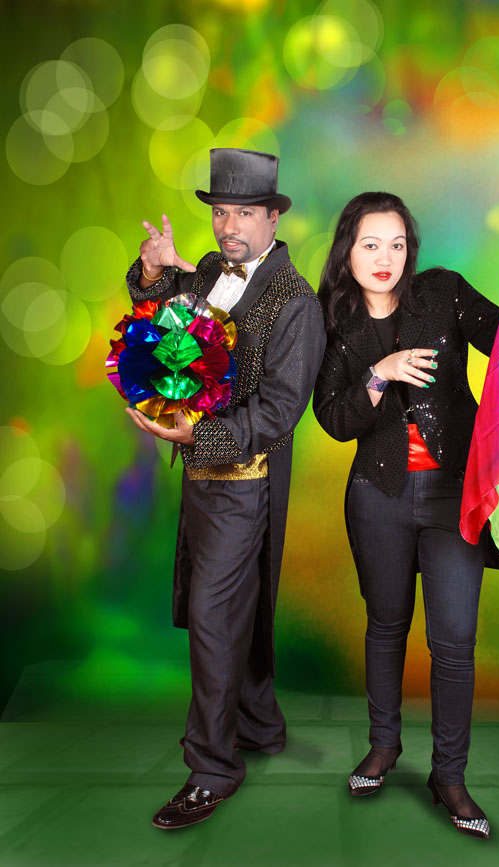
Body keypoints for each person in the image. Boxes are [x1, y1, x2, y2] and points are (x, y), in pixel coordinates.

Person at [313, 192, 499, 840]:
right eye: (370, 244)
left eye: (396, 244)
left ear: (410, 250)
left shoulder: (441, 293)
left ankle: (449, 776)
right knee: (386, 625)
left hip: (454, 492)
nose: (385, 257)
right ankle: (383, 746)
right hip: (378, 494)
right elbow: (333, 418)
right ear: (348, 251)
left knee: (453, 641)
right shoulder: (335, 320)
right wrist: (379, 373)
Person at [124, 148, 326, 829]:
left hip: (245, 482)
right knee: (232, 608)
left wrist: (197, 436)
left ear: (273, 218)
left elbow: (279, 413)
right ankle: (260, 725)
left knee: (213, 616)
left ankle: (212, 769)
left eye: (244, 212)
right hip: (202, 482)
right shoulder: (211, 271)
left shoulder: (296, 303)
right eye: (220, 212)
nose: (229, 225)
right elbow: (167, 325)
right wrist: (154, 274)